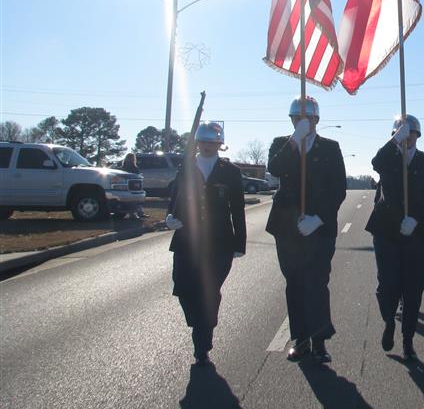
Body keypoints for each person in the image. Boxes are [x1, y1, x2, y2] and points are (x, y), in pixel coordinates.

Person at [266, 96, 346, 364]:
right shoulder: (281, 144)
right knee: (295, 283)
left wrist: (318, 218)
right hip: (286, 226)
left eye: (306, 119)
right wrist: (294, 140)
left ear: (316, 120)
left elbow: (338, 189)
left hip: (320, 228)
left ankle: (320, 341)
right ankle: (300, 340)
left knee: (317, 282)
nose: (301, 122)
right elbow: (275, 168)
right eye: (296, 119)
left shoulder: (330, 147)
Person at [164, 122, 246, 366]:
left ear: (220, 144)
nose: (208, 146)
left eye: (212, 142)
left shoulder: (230, 171)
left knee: (208, 291)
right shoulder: (186, 167)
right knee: (183, 288)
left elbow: (238, 209)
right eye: (204, 141)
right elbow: (175, 197)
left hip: (219, 242)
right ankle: (200, 322)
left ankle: (202, 341)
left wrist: (239, 243)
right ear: (197, 143)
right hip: (186, 239)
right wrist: (169, 217)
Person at [366, 114, 424, 362]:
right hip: (387, 229)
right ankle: (389, 321)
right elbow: (376, 162)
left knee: (413, 289)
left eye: (411, 133)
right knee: (387, 285)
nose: (408, 137)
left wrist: (416, 218)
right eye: (402, 133)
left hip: (420, 232)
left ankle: (408, 340)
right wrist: (395, 140)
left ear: (418, 135)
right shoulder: (388, 158)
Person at [121, 152, 147, 218]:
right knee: (135, 200)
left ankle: (135, 213)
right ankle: (136, 213)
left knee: (132, 200)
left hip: (127, 185)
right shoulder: (133, 166)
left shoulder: (124, 166)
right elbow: (136, 174)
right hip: (133, 185)